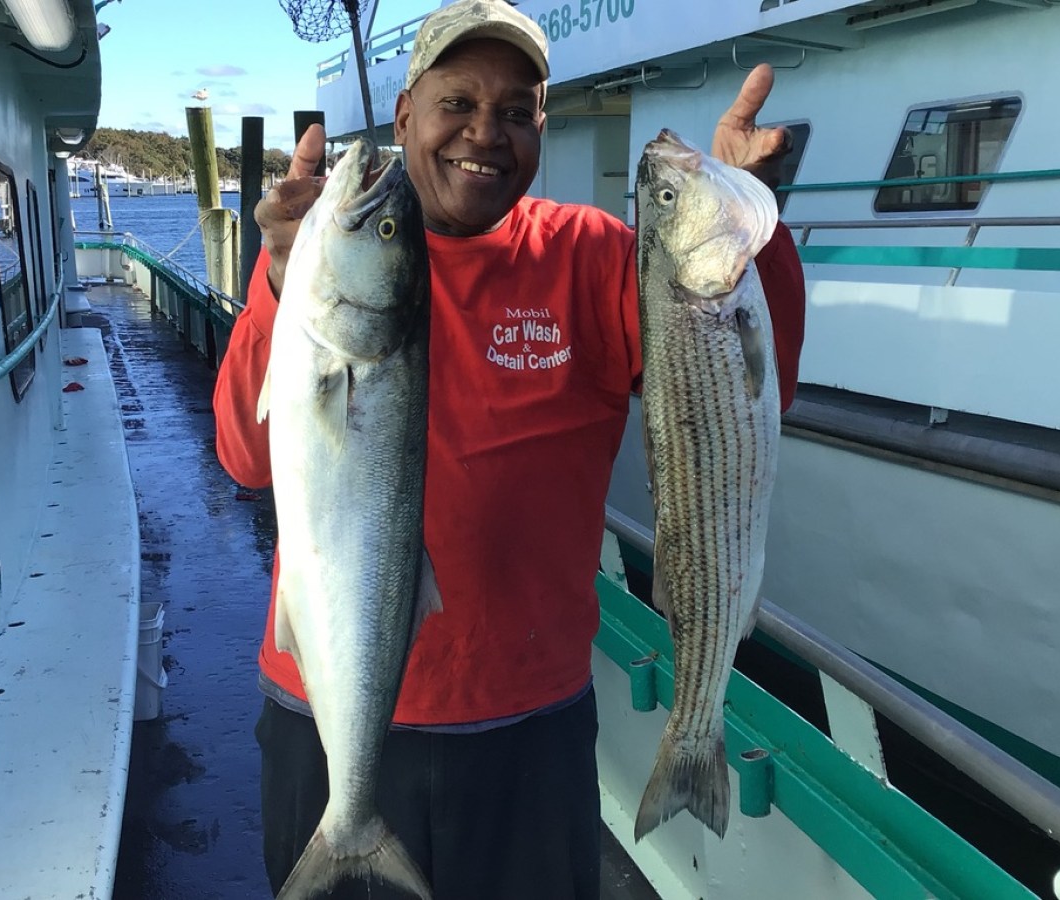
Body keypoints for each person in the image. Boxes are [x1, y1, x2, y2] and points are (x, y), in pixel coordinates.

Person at [213, 1, 806, 896]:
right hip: (328, 712)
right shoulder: (309, 281)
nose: (484, 133)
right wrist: (281, 283)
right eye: (457, 103)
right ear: (406, 114)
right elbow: (243, 456)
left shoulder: (595, 256)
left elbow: (748, 383)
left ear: (540, 126)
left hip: (529, 722)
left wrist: (750, 231)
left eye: (516, 111)